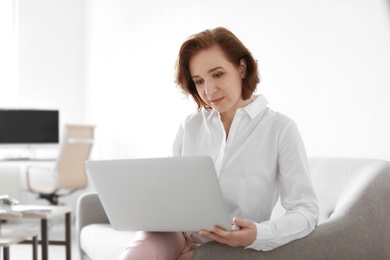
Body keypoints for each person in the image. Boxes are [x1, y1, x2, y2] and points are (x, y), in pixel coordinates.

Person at [118, 27, 319, 260]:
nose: (208, 90)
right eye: (199, 81)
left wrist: (258, 234)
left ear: (241, 69)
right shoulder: (190, 126)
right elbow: (172, 193)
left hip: (230, 245)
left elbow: (306, 211)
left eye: (218, 75)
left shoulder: (280, 128)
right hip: (176, 233)